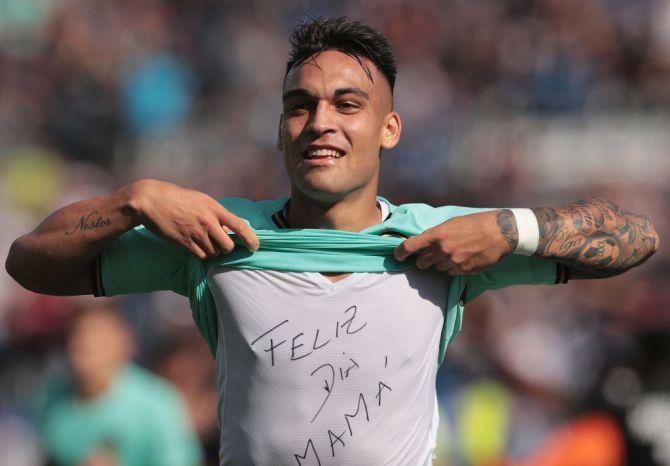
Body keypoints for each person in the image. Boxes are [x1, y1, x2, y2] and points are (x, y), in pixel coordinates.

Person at [6, 17, 659, 465]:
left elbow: (637, 239)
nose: (320, 122)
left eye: (348, 104)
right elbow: (30, 264)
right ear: (280, 128)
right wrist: (132, 199)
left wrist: (512, 226)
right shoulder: (219, 236)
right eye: (300, 105)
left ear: (390, 128)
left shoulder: (445, 242)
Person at [41, 304, 203, 466]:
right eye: (77, 334)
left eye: (97, 336)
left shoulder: (158, 402)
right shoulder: (54, 400)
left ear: (123, 343)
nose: (84, 344)